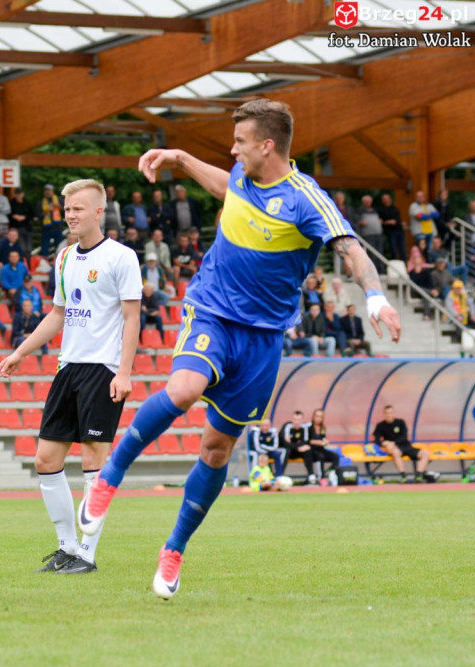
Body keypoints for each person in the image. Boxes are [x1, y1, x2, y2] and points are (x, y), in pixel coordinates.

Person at [77, 99, 401, 600]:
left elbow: (350, 248)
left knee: (216, 449)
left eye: (241, 142)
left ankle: (174, 550)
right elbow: (227, 187)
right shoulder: (243, 175)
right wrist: (182, 158)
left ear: (266, 146)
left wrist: (375, 297)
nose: (234, 149)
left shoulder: (304, 199)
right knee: (183, 390)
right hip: (212, 311)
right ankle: (109, 478)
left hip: (264, 338)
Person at [0, 179, 141, 574]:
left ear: (99, 212)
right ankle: (67, 546)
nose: (70, 215)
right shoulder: (63, 258)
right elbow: (58, 315)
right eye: (67, 209)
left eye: (78, 208)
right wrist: (20, 352)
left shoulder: (121, 256)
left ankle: (88, 555)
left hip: (104, 368)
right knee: (45, 459)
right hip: (68, 366)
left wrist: (124, 373)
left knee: (93, 460)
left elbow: (132, 317)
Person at [372, 405, 439, 484]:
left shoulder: (400, 422)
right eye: (387, 413)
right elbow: (376, 440)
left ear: (393, 413)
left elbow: (404, 437)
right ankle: (403, 476)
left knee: (425, 453)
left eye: (390, 413)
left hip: (406, 446)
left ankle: (419, 475)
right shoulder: (380, 425)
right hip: (396, 449)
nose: (389, 415)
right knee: (395, 452)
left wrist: (393, 442)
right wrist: (384, 443)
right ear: (384, 414)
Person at [34, 184, 65, 256]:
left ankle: (58, 262)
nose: (47, 192)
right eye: (45, 190)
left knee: (59, 247)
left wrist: (59, 206)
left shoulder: (59, 200)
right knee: (44, 248)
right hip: (46, 228)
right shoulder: (41, 202)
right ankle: (45, 264)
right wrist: (46, 211)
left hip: (58, 227)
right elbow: (38, 215)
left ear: (52, 191)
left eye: (49, 190)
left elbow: (66, 212)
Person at [377, 193, 405, 261]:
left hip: (400, 230)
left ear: (390, 199)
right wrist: (388, 222)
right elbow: (380, 221)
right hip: (391, 232)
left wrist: (401, 223)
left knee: (402, 250)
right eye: (384, 199)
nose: (386, 200)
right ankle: (394, 264)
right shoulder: (381, 210)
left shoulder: (395, 208)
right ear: (382, 200)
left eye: (387, 198)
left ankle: (404, 265)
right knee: (393, 250)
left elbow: (398, 220)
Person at [9, 188, 34, 253]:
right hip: (16, 227)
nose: (19, 196)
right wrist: (15, 216)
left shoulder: (27, 203)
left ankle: (28, 261)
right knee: (21, 247)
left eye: (20, 194)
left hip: (27, 227)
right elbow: (9, 214)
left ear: (23, 194)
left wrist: (24, 217)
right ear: (15, 195)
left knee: (28, 248)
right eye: (17, 194)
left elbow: (32, 214)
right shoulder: (12, 203)